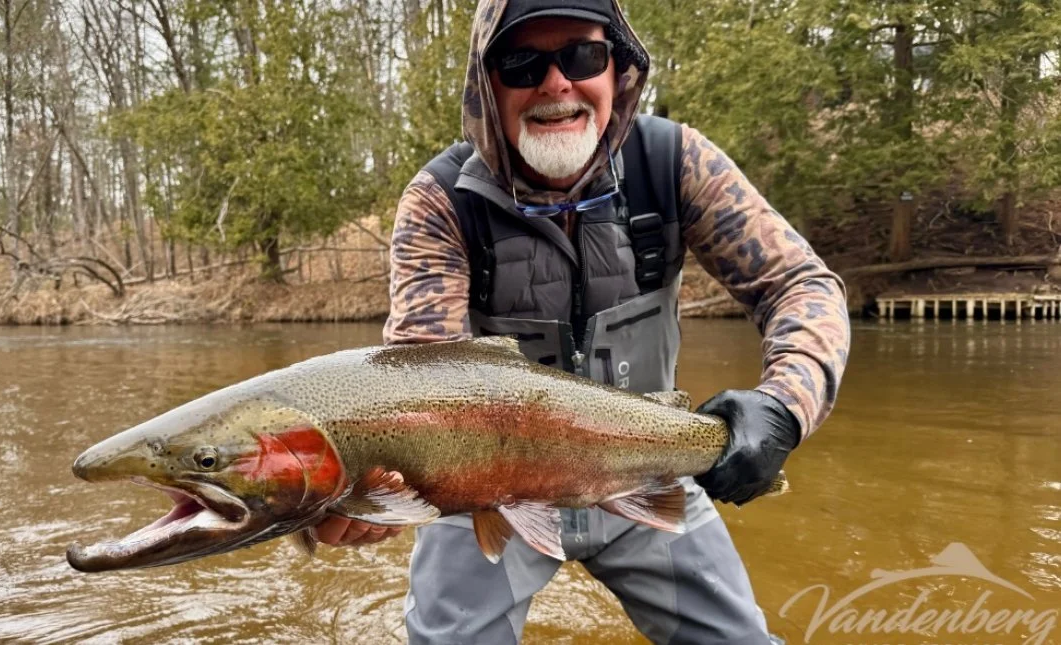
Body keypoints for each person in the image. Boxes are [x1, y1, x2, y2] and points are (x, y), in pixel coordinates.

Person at [314, 0, 851, 642]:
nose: (555, 83)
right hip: (488, 497)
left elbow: (800, 284)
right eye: (521, 62)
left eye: (581, 55)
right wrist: (372, 491)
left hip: (649, 471)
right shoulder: (440, 202)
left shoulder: (674, 162)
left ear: (617, 67)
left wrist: (783, 407)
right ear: (488, 85)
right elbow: (418, 383)